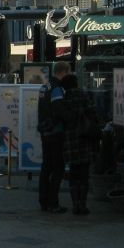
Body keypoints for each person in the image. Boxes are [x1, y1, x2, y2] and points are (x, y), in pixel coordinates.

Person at [60, 73, 99, 216]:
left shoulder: (64, 98)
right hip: (86, 138)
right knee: (84, 174)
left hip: (70, 139)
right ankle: (83, 204)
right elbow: (94, 114)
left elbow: (61, 118)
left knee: (74, 173)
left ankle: (75, 204)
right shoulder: (85, 95)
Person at [37, 60, 71, 213]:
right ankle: (53, 202)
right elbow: (59, 110)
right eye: (68, 73)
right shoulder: (57, 89)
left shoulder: (44, 87)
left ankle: (43, 201)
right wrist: (70, 119)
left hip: (45, 131)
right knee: (57, 168)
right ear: (63, 72)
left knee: (46, 167)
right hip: (55, 132)